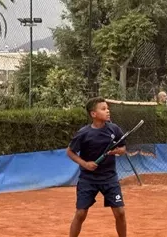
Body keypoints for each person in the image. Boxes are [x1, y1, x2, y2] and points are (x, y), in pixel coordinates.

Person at [67, 96, 127, 237]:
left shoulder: (114, 129)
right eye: (103, 109)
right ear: (93, 114)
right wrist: (85, 164)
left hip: (109, 178)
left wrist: (118, 151)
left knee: (120, 212)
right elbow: (70, 151)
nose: (108, 111)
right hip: (88, 179)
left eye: (108, 108)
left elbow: (123, 148)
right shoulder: (84, 133)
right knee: (81, 213)